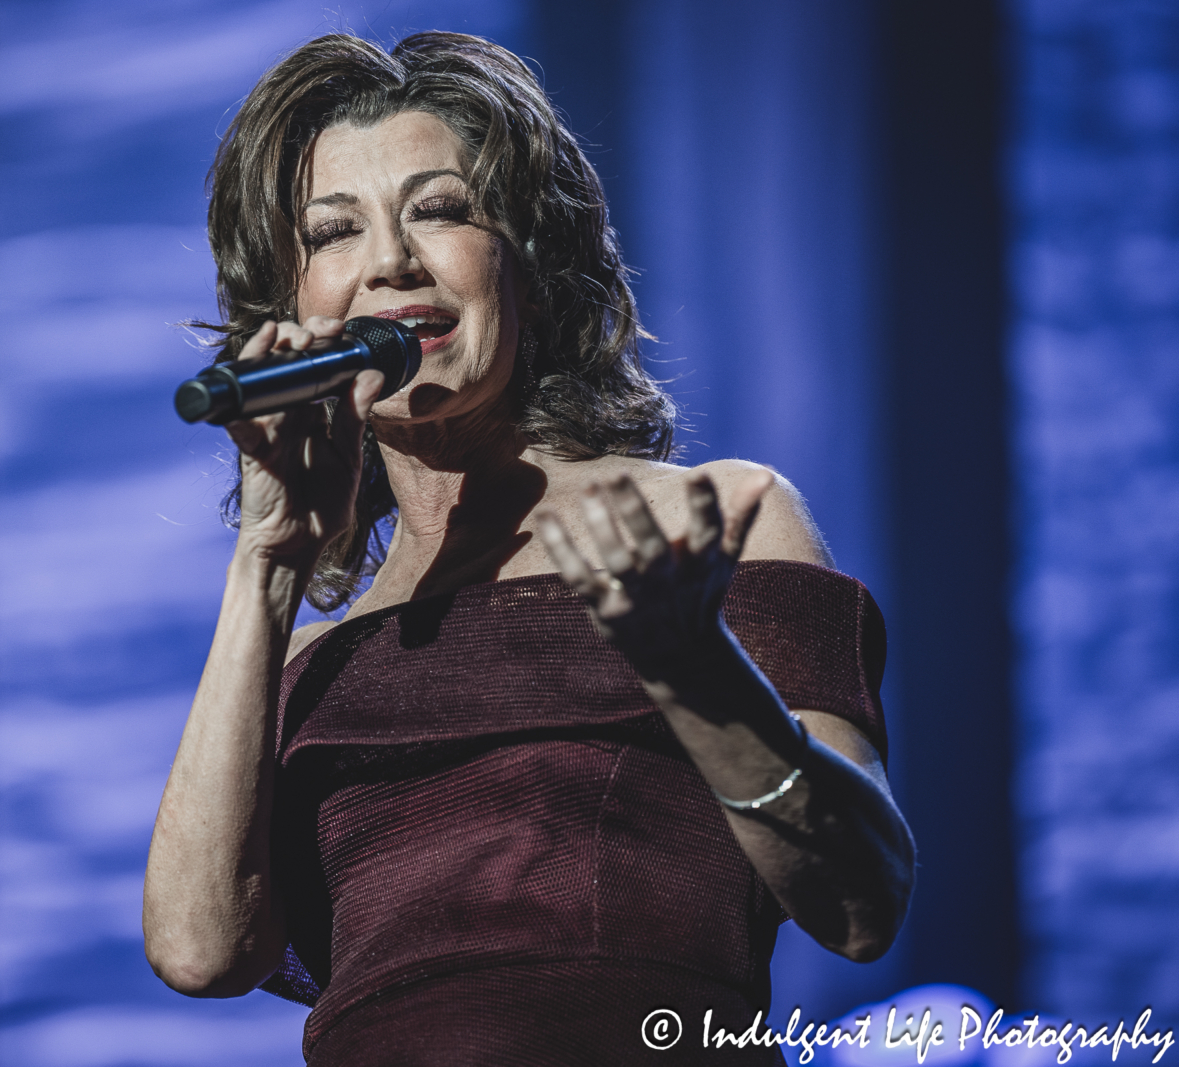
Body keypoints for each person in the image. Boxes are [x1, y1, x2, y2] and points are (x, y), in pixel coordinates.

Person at [143, 31, 914, 1066]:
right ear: (291, 313)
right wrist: (269, 565)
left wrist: (689, 662)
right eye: (333, 231)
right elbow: (200, 952)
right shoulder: (300, 662)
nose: (390, 262)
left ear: (530, 257)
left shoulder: (712, 519)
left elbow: (861, 904)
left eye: (440, 209)